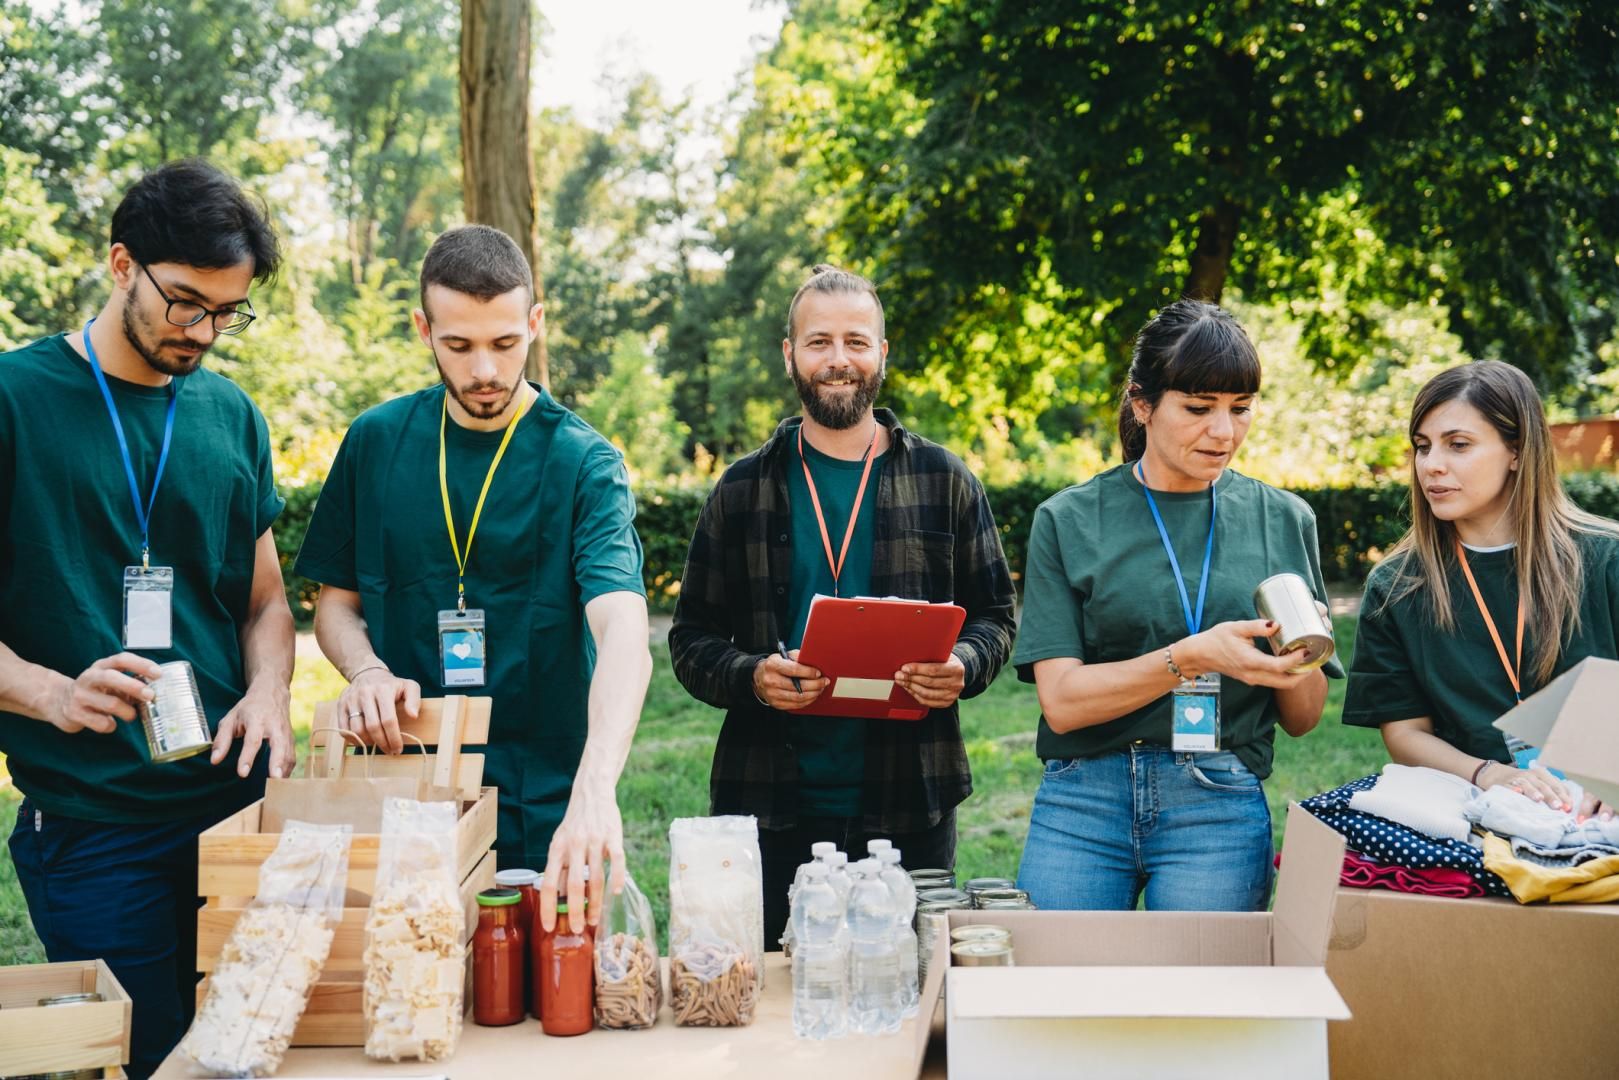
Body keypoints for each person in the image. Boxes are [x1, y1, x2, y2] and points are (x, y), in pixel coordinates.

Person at [0, 159, 293, 1078]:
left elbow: (265, 602)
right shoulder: (14, 400)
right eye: (186, 303)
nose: (204, 331)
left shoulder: (232, 413)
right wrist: (49, 693)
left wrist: (271, 692)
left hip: (235, 815)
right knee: (150, 1064)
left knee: (258, 1052)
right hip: (94, 829)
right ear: (122, 264)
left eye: (228, 311)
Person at [295, 224, 652, 929]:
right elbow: (335, 608)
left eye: (505, 342)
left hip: (546, 795)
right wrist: (364, 671)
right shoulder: (374, 441)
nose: (484, 370)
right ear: (423, 328)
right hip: (405, 789)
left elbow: (624, 630)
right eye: (458, 345)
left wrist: (596, 788)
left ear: (535, 324)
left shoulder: (584, 461)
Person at [669, 264, 1017, 946]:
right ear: (789, 354)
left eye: (856, 341)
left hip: (909, 801)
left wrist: (964, 665)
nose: (838, 360)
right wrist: (752, 678)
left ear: (881, 354)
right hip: (772, 805)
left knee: (904, 995)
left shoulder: (944, 480)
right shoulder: (739, 490)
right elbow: (690, 641)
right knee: (774, 998)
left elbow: (996, 616)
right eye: (819, 341)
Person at [1013, 299, 1341, 912]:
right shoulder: (1068, 520)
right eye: (1197, 408)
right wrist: (1190, 656)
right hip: (1084, 797)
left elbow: (1302, 718)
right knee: (1055, 994)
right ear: (1143, 404)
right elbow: (1062, 704)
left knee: (1203, 1003)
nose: (1224, 432)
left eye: (1240, 410)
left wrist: (1297, 659)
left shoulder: (1284, 520)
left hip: (1218, 802)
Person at [1344, 360, 1617, 821]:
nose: (1432, 466)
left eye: (1458, 445)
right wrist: (1487, 773)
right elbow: (1406, 731)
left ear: (1517, 450)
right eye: (1422, 447)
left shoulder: (1606, 559)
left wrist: (1611, 777)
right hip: (1474, 808)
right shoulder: (1395, 586)